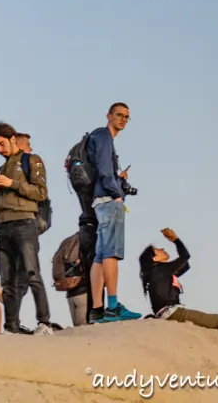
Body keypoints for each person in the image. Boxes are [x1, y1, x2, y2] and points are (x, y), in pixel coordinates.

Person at [0, 122, 59, 334]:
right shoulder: (1, 169)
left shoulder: (31, 160)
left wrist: (12, 183)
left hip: (25, 223)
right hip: (3, 226)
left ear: (12, 139)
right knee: (7, 280)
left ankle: (44, 322)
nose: (0, 150)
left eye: (1, 144)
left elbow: (40, 192)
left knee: (32, 273)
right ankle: (11, 326)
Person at [86, 103, 142, 323]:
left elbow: (104, 171)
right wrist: (117, 192)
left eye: (127, 117)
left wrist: (119, 181)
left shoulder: (101, 139)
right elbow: (103, 170)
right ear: (108, 116)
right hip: (109, 201)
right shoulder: (103, 136)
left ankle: (97, 311)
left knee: (100, 256)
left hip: (100, 200)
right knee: (111, 253)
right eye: (119, 115)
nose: (123, 119)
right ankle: (112, 307)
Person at [139, 228, 191, 315]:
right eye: (157, 250)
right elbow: (185, 256)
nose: (162, 249)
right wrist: (175, 240)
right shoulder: (160, 270)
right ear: (155, 258)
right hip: (171, 312)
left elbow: (186, 265)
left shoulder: (160, 272)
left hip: (167, 313)